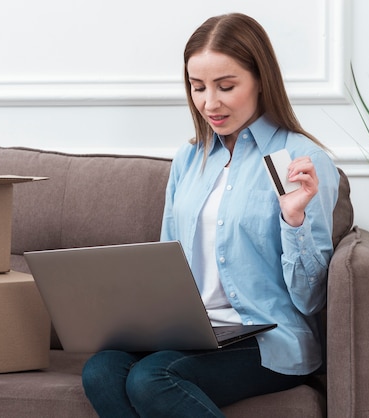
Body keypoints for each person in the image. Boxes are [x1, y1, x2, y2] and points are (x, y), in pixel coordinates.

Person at [81, 12, 340, 417]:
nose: (209, 103)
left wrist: (294, 221)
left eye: (226, 86)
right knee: (101, 370)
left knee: (151, 378)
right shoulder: (190, 158)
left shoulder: (297, 160)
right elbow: (166, 257)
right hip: (194, 331)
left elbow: (311, 300)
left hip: (267, 338)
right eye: (197, 87)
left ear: (260, 80)